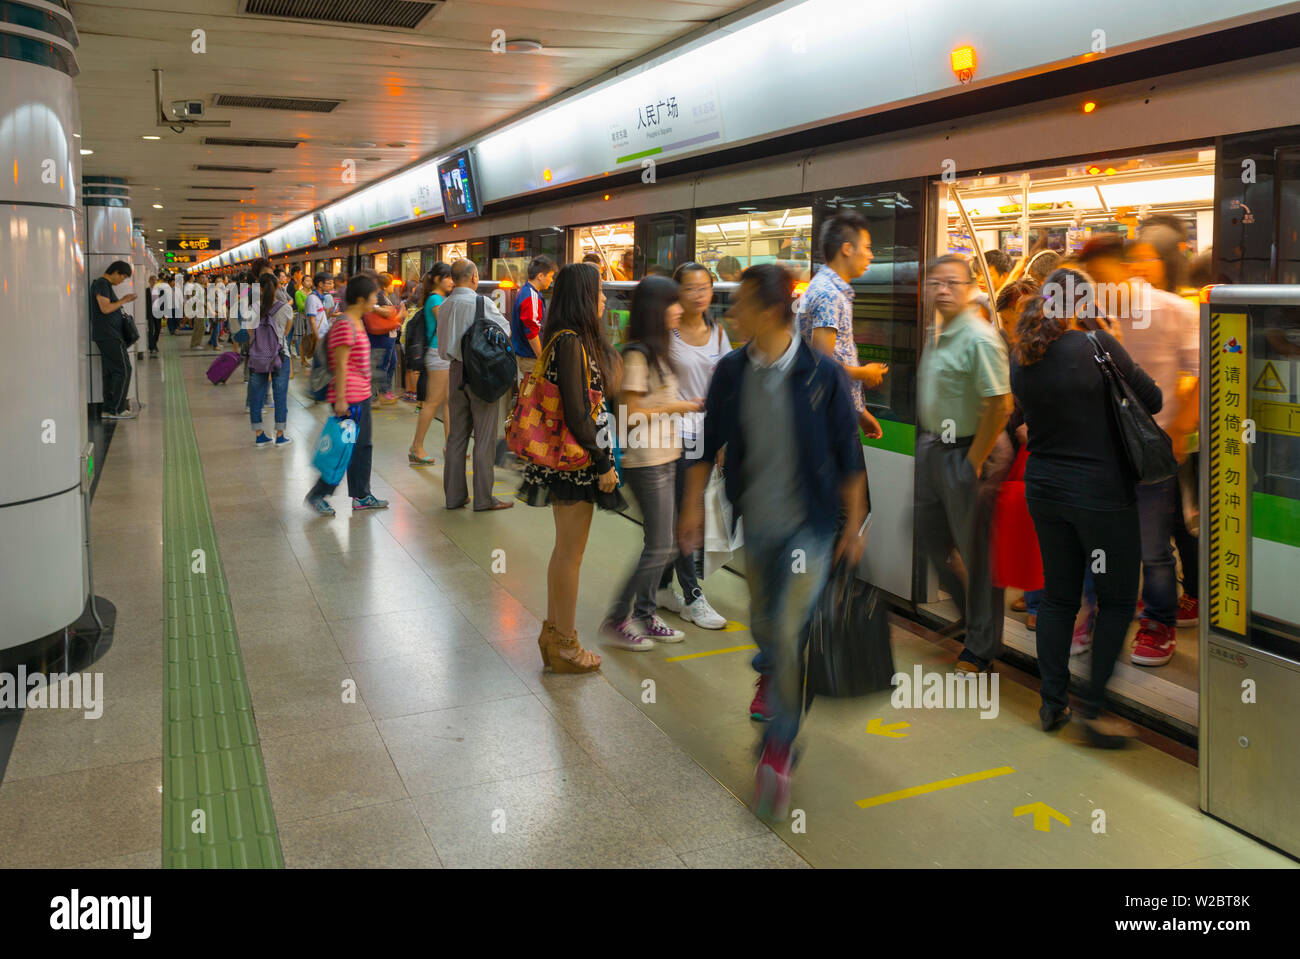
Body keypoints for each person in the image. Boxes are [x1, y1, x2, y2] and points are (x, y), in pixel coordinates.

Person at [678, 264, 867, 819]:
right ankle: (777, 705)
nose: (730, 314)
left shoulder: (821, 373)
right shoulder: (732, 371)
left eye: (739, 305)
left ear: (770, 311)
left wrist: (852, 527)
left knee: (786, 634)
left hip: (811, 525)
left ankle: (779, 748)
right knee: (764, 625)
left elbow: (848, 455)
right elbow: (708, 444)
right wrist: (691, 508)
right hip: (756, 524)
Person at [1010, 267, 1162, 745]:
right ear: (1082, 303)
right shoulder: (1097, 347)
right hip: (1101, 495)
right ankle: (1093, 711)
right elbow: (1153, 400)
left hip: (1045, 489)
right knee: (1116, 599)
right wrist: (1111, 341)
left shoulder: (1022, 354)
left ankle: (1052, 703)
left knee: (1058, 597)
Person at [1082, 235, 1200, 664]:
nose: (1095, 286)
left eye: (1099, 277)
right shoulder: (1091, 316)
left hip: (1152, 449)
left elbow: (1202, 371)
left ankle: (1157, 622)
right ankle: (1098, 612)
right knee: (1099, 538)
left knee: (1152, 545)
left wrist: (1182, 430)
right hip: (1101, 448)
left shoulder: (1175, 310)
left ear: (1128, 267)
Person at [518, 262, 626, 673]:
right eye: (598, 291)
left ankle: (553, 633)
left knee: (565, 551)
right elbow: (579, 414)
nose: (603, 299)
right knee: (570, 554)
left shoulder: (571, 339)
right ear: (583, 295)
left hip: (574, 458)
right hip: (576, 461)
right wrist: (603, 464)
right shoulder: (570, 342)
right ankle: (565, 643)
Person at [915, 254, 1015, 673]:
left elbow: (1000, 404)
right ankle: (972, 616)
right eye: (935, 282)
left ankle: (981, 646)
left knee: (978, 555)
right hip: (934, 447)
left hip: (968, 451)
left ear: (971, 288)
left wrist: (974, 460)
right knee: (929, 536)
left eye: (952, 283)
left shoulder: (979, 338)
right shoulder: (939, 333)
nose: (941, 290)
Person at [600, 276, 704, 650]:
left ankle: (645, 615)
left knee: (666, 543)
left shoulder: (660, 351)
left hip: (667, 456)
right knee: (660, 546)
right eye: (673, 303)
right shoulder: (637, 355)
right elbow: (629, 414)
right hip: (646, 460)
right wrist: (680, 406)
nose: (680, 309)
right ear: (656, 309)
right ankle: (617, 619)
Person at [656, 262, 729, 629]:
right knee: (685, 517)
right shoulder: (667, 335)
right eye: (690, 287)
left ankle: (659, 587)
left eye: (705, 287)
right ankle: (692, 594)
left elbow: (725, 388)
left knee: (685, 517)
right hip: (674, 437)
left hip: (706, 435)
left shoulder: (719, 335)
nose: (699, 294)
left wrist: (721, 438)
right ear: (677, 292)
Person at [304, 274, 388, 516]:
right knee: (343, 449)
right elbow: (340, 364)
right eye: (373, 296)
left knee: (361, 447)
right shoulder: (345, 324)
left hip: (360, 394)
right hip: (349, 397)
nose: (376, 300)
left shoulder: (358, 321)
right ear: (361, 298)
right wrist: (340, 399)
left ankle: (361, 495)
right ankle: (319, 493)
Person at [798, 210, 886, 439]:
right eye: (866, 247)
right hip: (828, 421)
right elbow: (822, 367)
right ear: (847, 249)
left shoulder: (826, 288)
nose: (871, 256)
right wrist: (865, 372)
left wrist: (860, 413)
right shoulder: (829, 295)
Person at [437, 259, 514, 511]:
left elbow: (442, 347)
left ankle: (454, 496)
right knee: (484, 438)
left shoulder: (445, 305)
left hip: (455, 372)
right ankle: (483, 498)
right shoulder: (482, 303)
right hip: (482, 374)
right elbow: (505, 332)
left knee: (457, 436)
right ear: (473, 277)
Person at [409, 262, 454, 465]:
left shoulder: (439, 298)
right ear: (438, 279)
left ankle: (451, 444)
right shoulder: (436, 299)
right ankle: (416, 447)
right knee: (433, 402)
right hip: (438, 354)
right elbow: (447, 324)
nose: (452, 282)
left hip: (442, 353)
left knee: (447, 401)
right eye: (449, 278)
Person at [247, 273, 294, 449]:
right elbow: (285, 334)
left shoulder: (253, 308)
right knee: (280, 395)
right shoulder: (286, 308)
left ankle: (259, 435)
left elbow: (251, 334)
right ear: (277, 287)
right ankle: (280, 436)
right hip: (280, 356)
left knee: (256, 396)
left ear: (259, 288)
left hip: (258, 356)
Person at [90, 260, 137, 419]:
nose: (121, 281)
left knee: (111, 372)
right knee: (124, 370)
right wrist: (124, 300)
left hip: (107, 335)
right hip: (109, 335)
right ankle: (117, 409)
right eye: (122, 277)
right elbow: (105, 308)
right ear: (116, 272)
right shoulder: (102, 285)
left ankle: (109, 408)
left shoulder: (104, 285)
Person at [511, 255, 557, 380]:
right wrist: (542, 358)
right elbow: (531, 332)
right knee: (531, 396)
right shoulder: (531, 297)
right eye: (550, 276)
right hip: (530, 358)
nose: (551, 280)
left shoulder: (524, 291)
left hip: (524, 355)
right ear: (540, 276)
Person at [302, 272, 334, 368]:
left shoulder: (321, 297)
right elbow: (312, 320)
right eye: (329, 283)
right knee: (319, 361)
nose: (332, 285)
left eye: (332, 283)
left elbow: (321, 317)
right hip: (318, 335)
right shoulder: (312, 298)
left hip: (323, 334)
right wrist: (317, 337)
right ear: (320, 284)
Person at [189, 274, 210, 351]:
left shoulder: (200, 286)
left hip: (201, 310)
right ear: (197, 278)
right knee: (201, 327)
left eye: (205, 277)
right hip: (198, 310)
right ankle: (196, 344)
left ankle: (194, 343)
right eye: (202, 277)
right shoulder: (196, 287)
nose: (204, 279)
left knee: (199, 327)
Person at [144, 274, 161, 355]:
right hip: (150, 313)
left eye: (155, 280)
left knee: (158, 329)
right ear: (149, 281)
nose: (154, 282)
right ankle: (152, 347)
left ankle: (154, 344)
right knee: (151, 330)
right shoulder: (146, 291)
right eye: (152, 280)